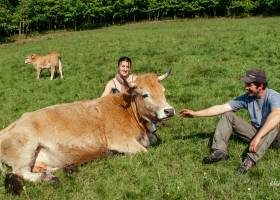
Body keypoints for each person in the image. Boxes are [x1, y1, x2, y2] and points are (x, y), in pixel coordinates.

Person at [179, 68, 280, 173]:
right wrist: (195, 113)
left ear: (261, 86)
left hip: (276, 138)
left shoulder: (274, 96)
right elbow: (222, 108)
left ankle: (249, 160)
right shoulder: (248, 97)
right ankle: (219, 151)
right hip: (258, 132)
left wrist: (257, 138)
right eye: (246, 84)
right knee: (227, 115)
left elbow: (277, 115)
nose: (246, 88)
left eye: (249, 85)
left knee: (275, 123)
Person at [101, 56, 157, 144]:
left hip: (135, 114)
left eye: (128, 67)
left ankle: (147, 131)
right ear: (118, 67)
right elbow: (102, 100)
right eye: (123, 66)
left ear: (130, 68)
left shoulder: (135, 79)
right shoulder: (112, 83)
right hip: (119, 115)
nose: (125, 69)